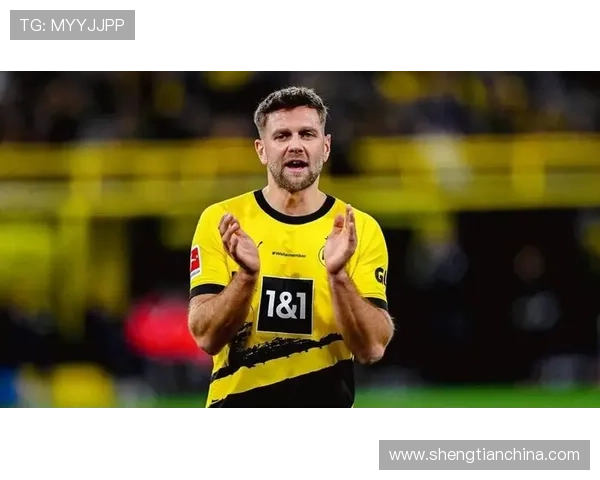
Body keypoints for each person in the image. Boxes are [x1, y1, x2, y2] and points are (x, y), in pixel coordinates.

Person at [187, 86, 395, 407]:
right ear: (261, 150)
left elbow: (372, 349)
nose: (295, 145)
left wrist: (339, 277)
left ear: (325, 147)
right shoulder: (223, 220)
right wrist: (246, 277)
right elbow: (206, 338)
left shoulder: (358, 229)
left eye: (307, 134)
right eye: (282, 136)